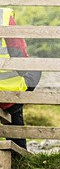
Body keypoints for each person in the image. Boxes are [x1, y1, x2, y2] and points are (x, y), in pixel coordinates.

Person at [0, 8, 40, 151]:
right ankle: (18, 155)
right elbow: (18, 51)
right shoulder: (3, 16)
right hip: (5, 90)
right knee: (36, 69)